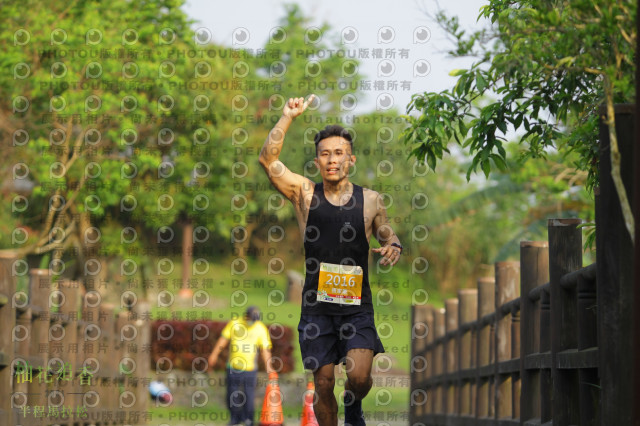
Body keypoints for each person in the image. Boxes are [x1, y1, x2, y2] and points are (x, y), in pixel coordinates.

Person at [258, 95, 403, 426]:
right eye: (325, 154)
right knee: (323, 385)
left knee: (360, 377)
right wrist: (287, 116)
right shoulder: (304, 194)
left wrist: (394, 244)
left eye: (339, 153)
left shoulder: (371, 200)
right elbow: (268, 160)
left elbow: (387, 233)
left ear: (351, 159)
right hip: (317, 308)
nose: (332, 159)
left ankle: (353, 403)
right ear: (317, 161)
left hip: (357, 307)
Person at [208, 306, 274, 426]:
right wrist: (214, 355)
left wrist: (269, 367)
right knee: (231, 395)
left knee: (249, 396)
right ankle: (235, 419)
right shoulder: (235, 323)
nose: (252, 322)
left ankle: (248, 420)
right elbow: (223, 339)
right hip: (233, 367)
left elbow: (265, 349)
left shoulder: (260, 328)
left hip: (250, 369)